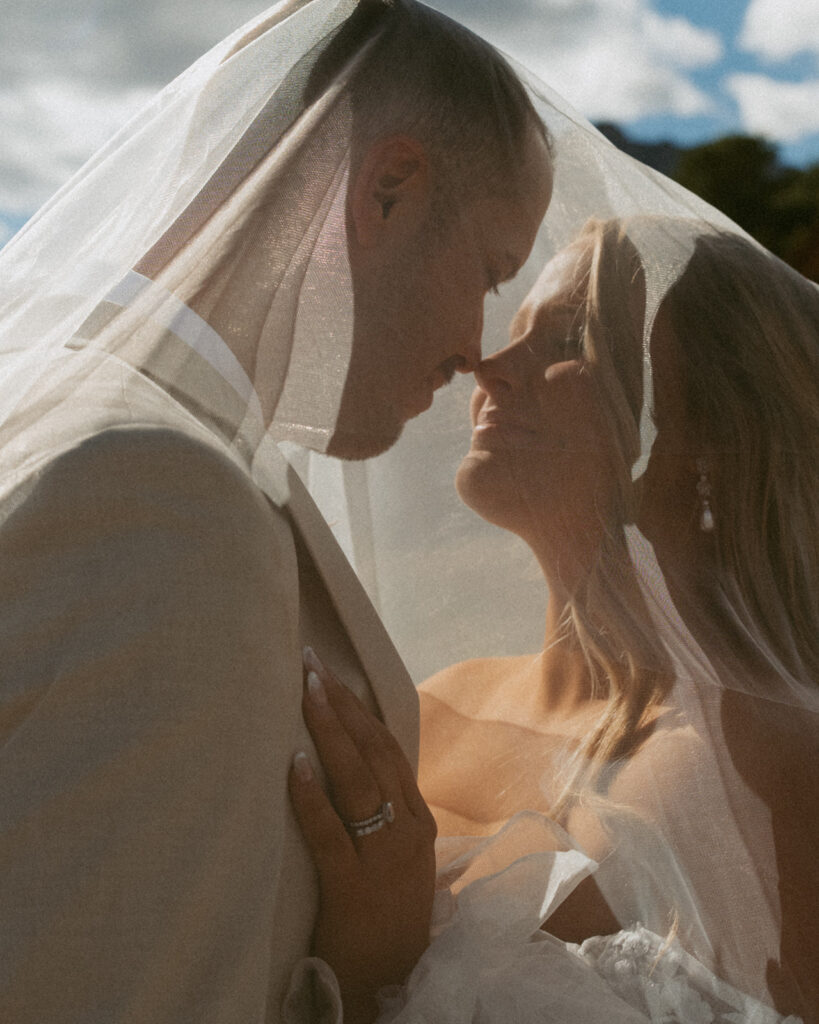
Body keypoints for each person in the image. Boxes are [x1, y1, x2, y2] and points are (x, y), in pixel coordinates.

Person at [0, 2, 552, 1022]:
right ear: (387, 191)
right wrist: (373, 970)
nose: (479, 347)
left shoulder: (89, 419)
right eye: (489, 271)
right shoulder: (157, 496)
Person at [290, 217, 818, 1023]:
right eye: (510, 333)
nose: (487, 367)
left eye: (568, 336)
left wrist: (373, 972)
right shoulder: (429, 707)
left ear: (709, 431)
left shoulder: (772, 765)